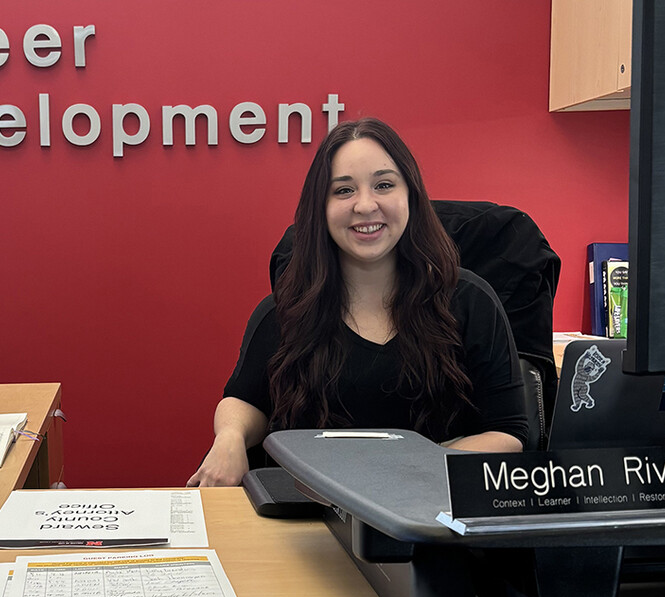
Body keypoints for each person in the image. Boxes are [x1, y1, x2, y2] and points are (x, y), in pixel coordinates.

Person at [187, 118, 527, 487]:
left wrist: (407, 470)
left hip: (433, 518)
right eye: (344, 190)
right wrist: (230, 438)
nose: (365, 205)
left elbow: (508, 434)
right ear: (320, 207)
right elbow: (245, 399)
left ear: (410, 196)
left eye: (383, 185)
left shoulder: (470, 302)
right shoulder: (283, 311)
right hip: (309, 515)